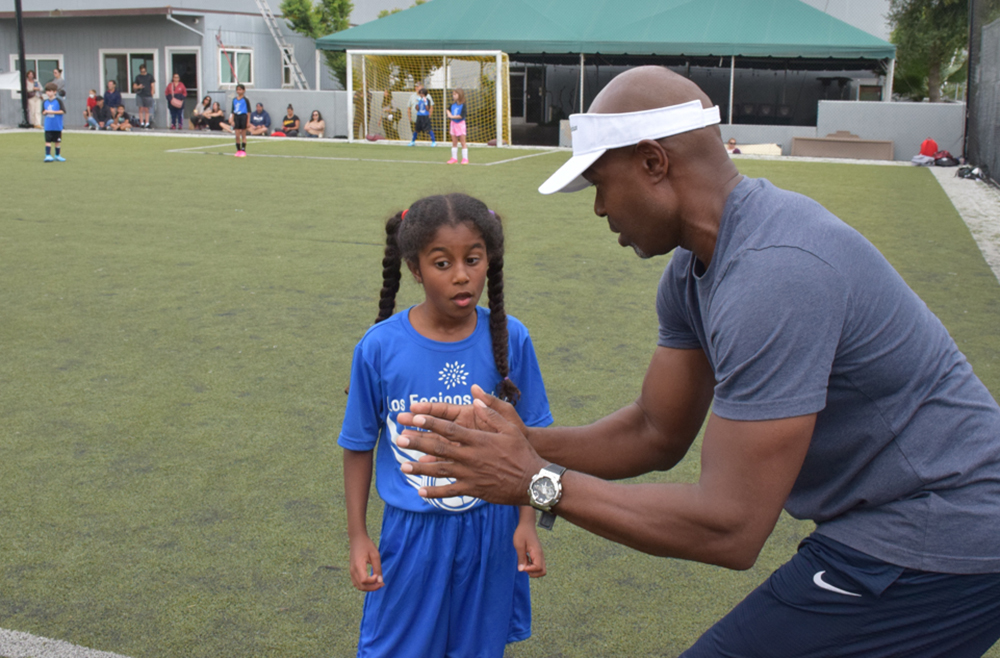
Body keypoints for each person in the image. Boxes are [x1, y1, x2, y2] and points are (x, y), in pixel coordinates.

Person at [395, 66, 1000, 657]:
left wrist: (536, 482)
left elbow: (730, 526)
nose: (600, 208)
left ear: (653, 163)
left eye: (601, 183)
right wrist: (515, 441)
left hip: (946, 530)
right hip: (881, 526)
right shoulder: (693, 269)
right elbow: (654, 431)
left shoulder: (776, 272)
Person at [340, 193, 551, 658]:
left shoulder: (512, 338)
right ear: (414, 268)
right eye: (442, 263)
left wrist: (527, 522)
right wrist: (358, 536)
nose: (461, 275)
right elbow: (357, 445)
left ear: (489, 260)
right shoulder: (379, 347)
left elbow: (533, 441)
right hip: (412, 535)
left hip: (493, 533)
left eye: (472, 259)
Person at [41, 82, 65, 162]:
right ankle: (48, 155)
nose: (48, 93)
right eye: (47, 91)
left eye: (50, 91)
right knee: (47, 141)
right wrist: (45, 112)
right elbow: (43, 112)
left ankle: (57, 155)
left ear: (54, 92)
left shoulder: (58, 101)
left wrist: (51, 112)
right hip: (48, 125)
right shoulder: (45, 102)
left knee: (57, 142)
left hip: (57, 125)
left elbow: (63, 111)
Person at [446, 88, 469, 164]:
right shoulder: (453, 105)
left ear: (460, 95)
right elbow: (447, 109)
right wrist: (449, 114)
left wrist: (452, 117)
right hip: (453, 124)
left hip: (460, 124)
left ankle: (465, 158)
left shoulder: (463, 105)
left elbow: (462, 116)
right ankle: (454, 158)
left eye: (455, 94)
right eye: (453, 94)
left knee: (462, 142)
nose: (454, 96)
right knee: (454, 142)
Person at [229, 84, 250, 157]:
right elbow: (232, 111)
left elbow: (249, 112)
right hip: (236, 117)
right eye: (237, 90)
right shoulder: (234, 100)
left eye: (240, 89)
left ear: (243, 90)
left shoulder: (245, 100)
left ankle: (243, 150)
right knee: (237, 135)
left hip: (243, 117)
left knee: (243, 134)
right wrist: (232, 120)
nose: (238, 91)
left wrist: (248, 121)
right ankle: (238, 150)